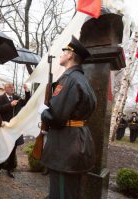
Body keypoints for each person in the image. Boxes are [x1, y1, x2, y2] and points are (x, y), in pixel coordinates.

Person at [41, 36, 97, 199]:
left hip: (65, 147)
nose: (61, 54)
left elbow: (56, 117)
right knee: (71, 192)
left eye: (64, 51)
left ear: (71, 55)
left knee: (61, 194)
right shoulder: (83, 80)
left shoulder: (69, 79)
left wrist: (43, 112)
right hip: (77, 140)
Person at [0, 83, 30, 178]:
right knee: (1, 148)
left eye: (13, 87)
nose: (12, 88)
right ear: (4, 88)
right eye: (9, 87)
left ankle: (10, 169)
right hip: (4, 127)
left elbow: (27, 102)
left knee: (12, 149)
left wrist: (27, 92)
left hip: (14, 129)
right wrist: (10, 105)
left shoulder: (17, 97)